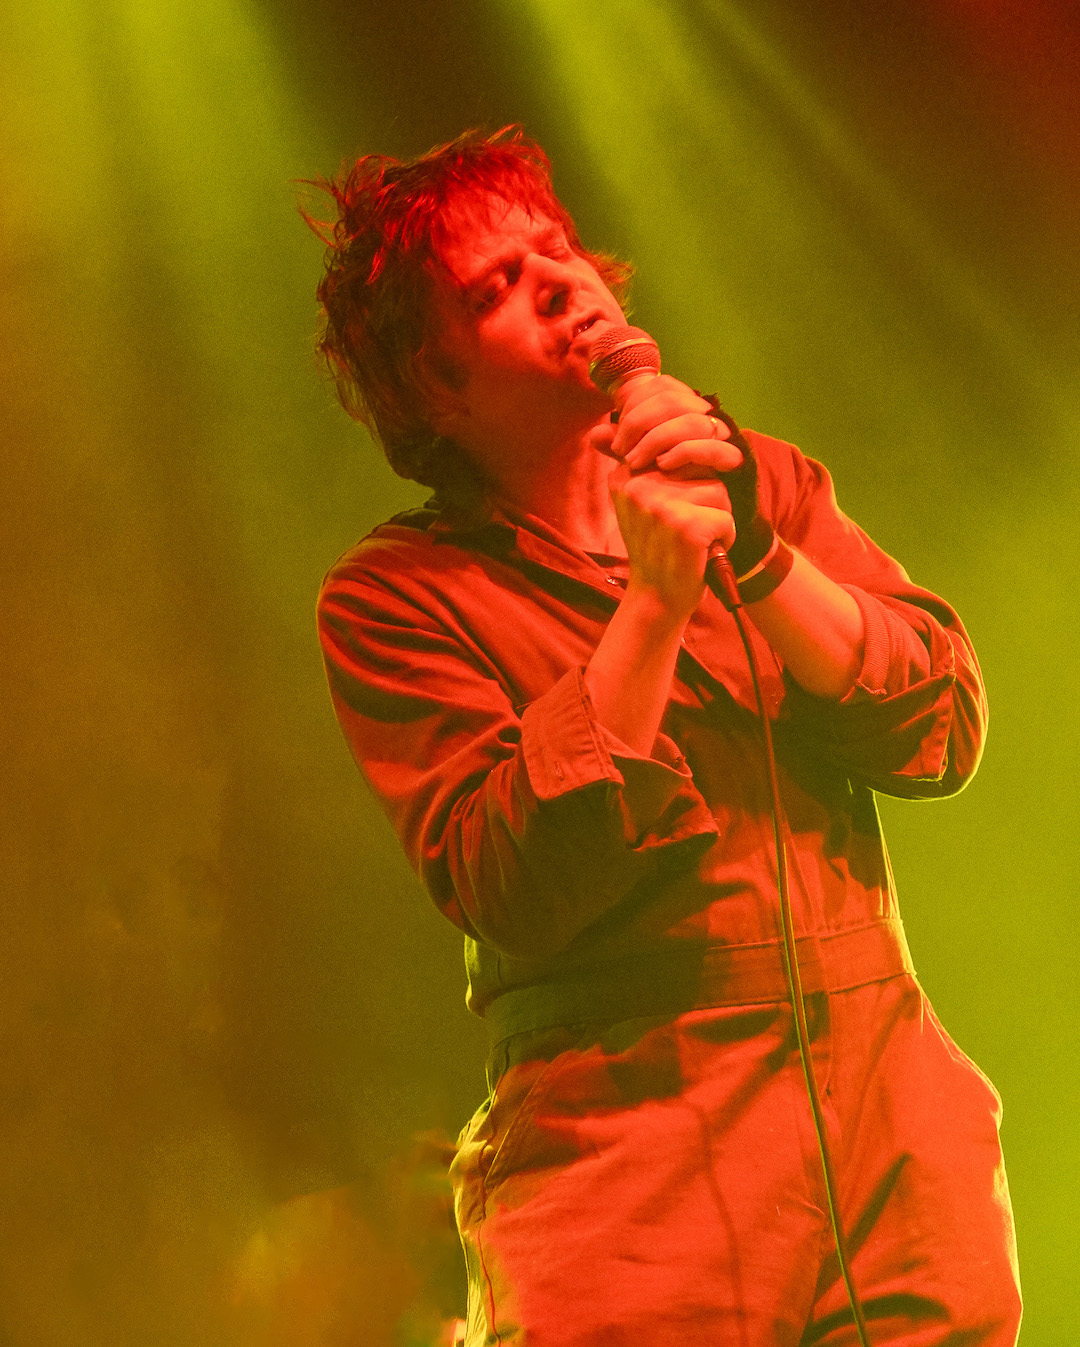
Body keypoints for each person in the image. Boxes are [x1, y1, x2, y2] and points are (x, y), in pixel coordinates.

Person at [307, 127, 1021, 1346]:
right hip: (630, 1147)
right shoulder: (399, 597)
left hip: (890, 1120)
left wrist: (760, 555)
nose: (559, 281)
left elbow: (940, 729)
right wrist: (652, 602)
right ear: (436, 387)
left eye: (556, 247)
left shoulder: (761, 483)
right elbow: (513, 883)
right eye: (497, 287)